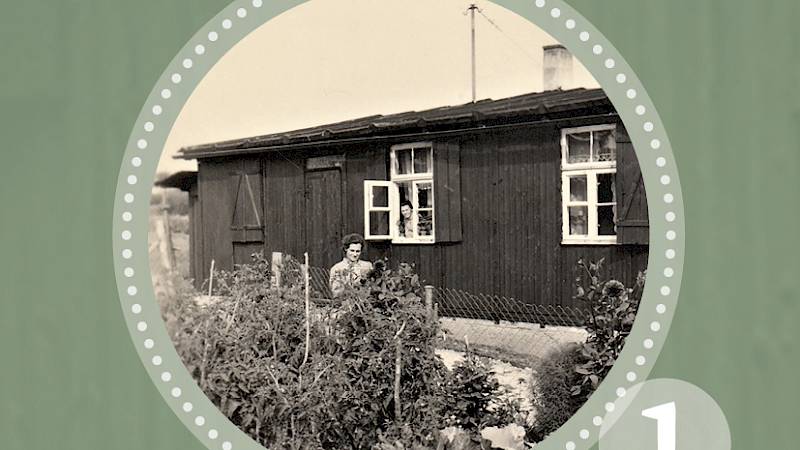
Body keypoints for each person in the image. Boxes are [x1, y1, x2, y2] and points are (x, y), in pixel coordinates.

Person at [329, 233, 374, 297]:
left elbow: (372, 287)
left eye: (357, 251)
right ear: (346, 249)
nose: (355, 254)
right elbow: (336, 292)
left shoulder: (367, 266)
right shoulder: (337, 268)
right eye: (352, 251)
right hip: (345, 301)